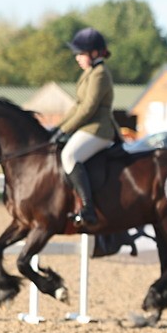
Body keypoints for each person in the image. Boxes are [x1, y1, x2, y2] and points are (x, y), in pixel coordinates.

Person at [48, 27, 117, 226]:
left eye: (81, 53)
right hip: (87, 127)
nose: (77, 57)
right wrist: (56, 127)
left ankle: (88, 209)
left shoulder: (100, 74)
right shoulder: (89, 72)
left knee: (69, 156)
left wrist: (65, 130)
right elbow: (77, 106)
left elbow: (88, 108)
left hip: (98, 128)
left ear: (94, 53)